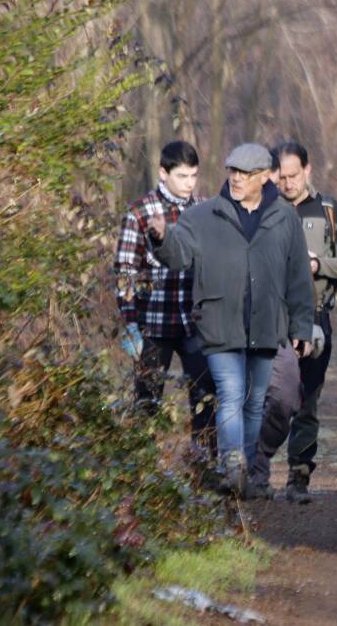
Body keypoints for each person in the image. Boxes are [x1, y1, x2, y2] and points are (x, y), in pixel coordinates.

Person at [148, 142, 314, 498]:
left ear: (265, 177)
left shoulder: (284, 218)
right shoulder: (203, 215)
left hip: (267, 325)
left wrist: (301, 327)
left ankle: (247, 470)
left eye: (245, 173)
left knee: (255, 402)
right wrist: (160, 237)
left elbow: (298, 276)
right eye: (232, 171)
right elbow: (178, 255)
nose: (236, 178)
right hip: (220, 321)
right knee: (231, 393)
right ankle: (232, 462)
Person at [251, 141, 337, 502]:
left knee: (307, 401)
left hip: (317, 318)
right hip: (270, 321)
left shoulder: (329, 212)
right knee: (269, 398)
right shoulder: (263, 210)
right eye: (282, 176)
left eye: (294, 175)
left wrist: (317, 265)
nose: (288, 183)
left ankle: (298, 476)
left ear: (308, 171)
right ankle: (256, 469)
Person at [114, 140, 216, 456]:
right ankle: (143, 470)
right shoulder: (140, 212)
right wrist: (131, 323)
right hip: (153, 325)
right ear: (163, 173)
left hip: (195, 323)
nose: (189, 184)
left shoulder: (204, 210)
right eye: (182, 176)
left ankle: (204, 469)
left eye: (194, 176)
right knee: (147, 402)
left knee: (205, 398)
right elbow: (125, 272)